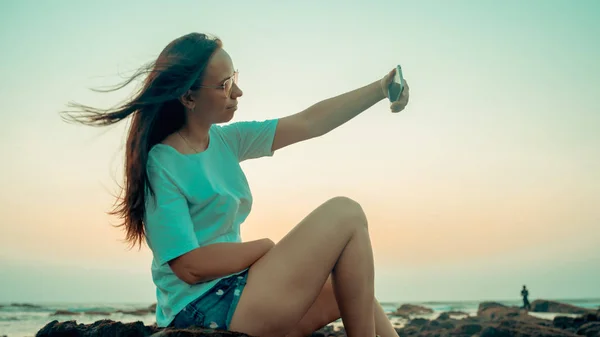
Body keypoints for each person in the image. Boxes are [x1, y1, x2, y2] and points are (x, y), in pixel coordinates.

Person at [62, 32, 410, 337]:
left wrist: (381, 88)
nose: (238, 91)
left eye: (234, 78)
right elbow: (189, 265)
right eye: (225, 85)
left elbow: (309, 122)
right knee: (345, 212)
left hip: (242, 292)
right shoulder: (162, 162)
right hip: (203, 309)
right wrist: (264, 247)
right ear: (188, 97)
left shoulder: (228, 141)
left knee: (351, 285)